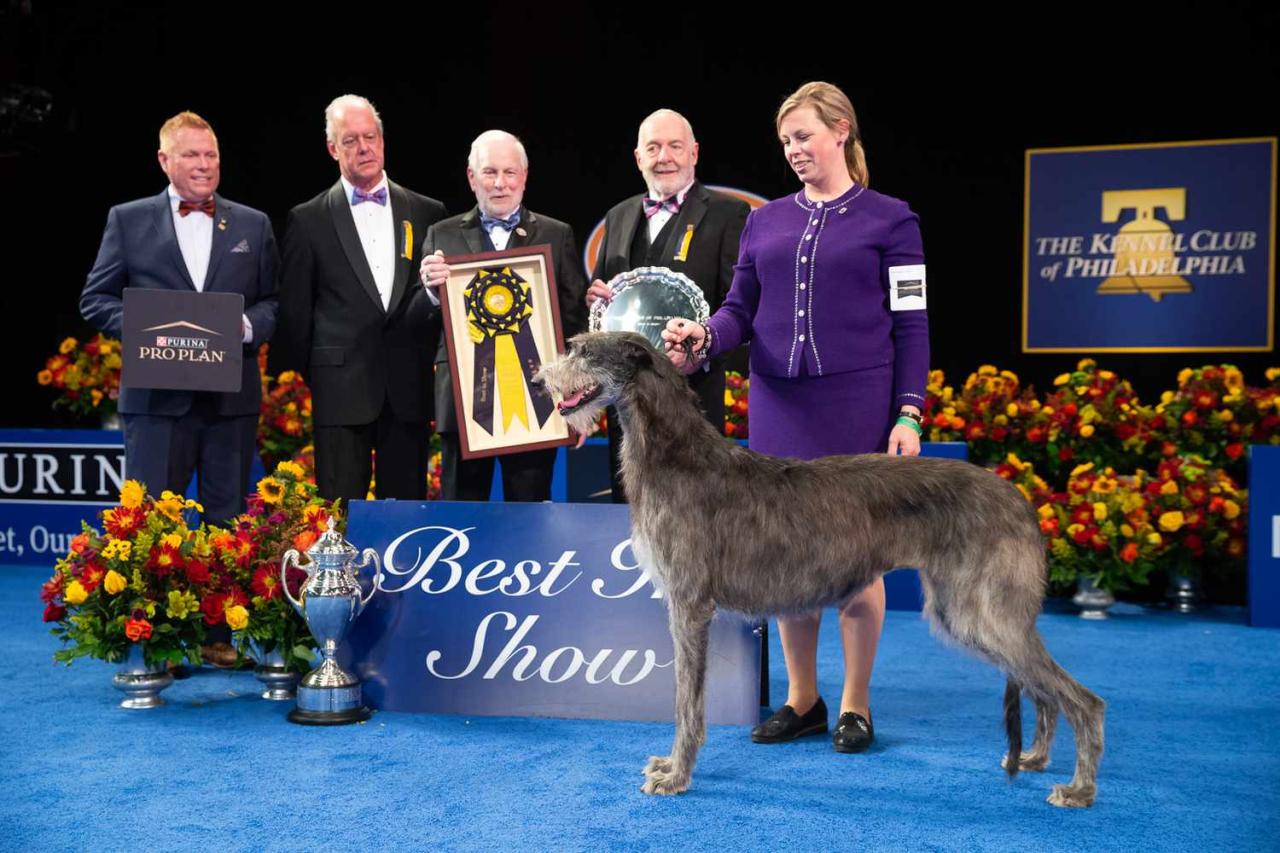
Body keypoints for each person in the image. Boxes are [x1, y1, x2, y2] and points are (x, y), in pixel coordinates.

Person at [663, 81, 929, 754]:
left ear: (841, 130)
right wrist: (704, 336)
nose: (793, 151)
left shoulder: (892, 219)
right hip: (779, 407)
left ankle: (855, 703)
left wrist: (910, 412)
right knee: (787, 557)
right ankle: (802, 697)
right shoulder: (766, 219)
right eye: (785, 142)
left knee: (856, 558)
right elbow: (738, 310)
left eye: (804, 136)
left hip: (856, 409)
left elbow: (912, 327)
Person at [80, 110, 278, 668]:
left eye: (211, 155)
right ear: (165, 161)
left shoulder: (253, 224)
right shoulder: (128, 219)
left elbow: (272, 303)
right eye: (191, 155)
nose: (204, 165)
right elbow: (95, 299)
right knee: (153, 528)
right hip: (156, 403)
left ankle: (218, 638)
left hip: (229, 400)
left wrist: (247, 328)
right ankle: (157, 641)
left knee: (224, 522)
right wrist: (147, 327)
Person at [271, 94, 447, 501]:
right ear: (333, 149)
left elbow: (437, 302)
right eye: (350, 140)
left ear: (383, 141)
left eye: (371, 137)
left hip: (408, 387)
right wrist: (315, 376)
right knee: (337, 513)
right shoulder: (307, 219)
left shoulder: (427, 211)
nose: (364, 147)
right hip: (339, 390)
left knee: (406, 517)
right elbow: (296, 314)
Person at [586, 109, 749, 501]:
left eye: (675, 146)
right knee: (628, 510)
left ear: (694, 152)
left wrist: (700, 352)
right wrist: (597, 301)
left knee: (697, 516)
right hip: (628, 402)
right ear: (638, 157)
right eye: (653, 148)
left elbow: (738, 305)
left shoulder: (729, 214)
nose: (665, 157)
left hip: (694, 398)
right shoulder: (619, 215)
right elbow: (612, 300)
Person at [418, 130, 587, 500]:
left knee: (529, 520)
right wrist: (431, 292)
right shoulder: (439, 235)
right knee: (460, 521)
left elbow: (575, 325)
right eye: (489, 172)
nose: (500, 183)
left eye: (510, 173)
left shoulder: (557, 235)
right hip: (464, 408)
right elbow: (415, 321)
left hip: (536, 405)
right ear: (471, 177)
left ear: (524, 177)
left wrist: (578, 403)